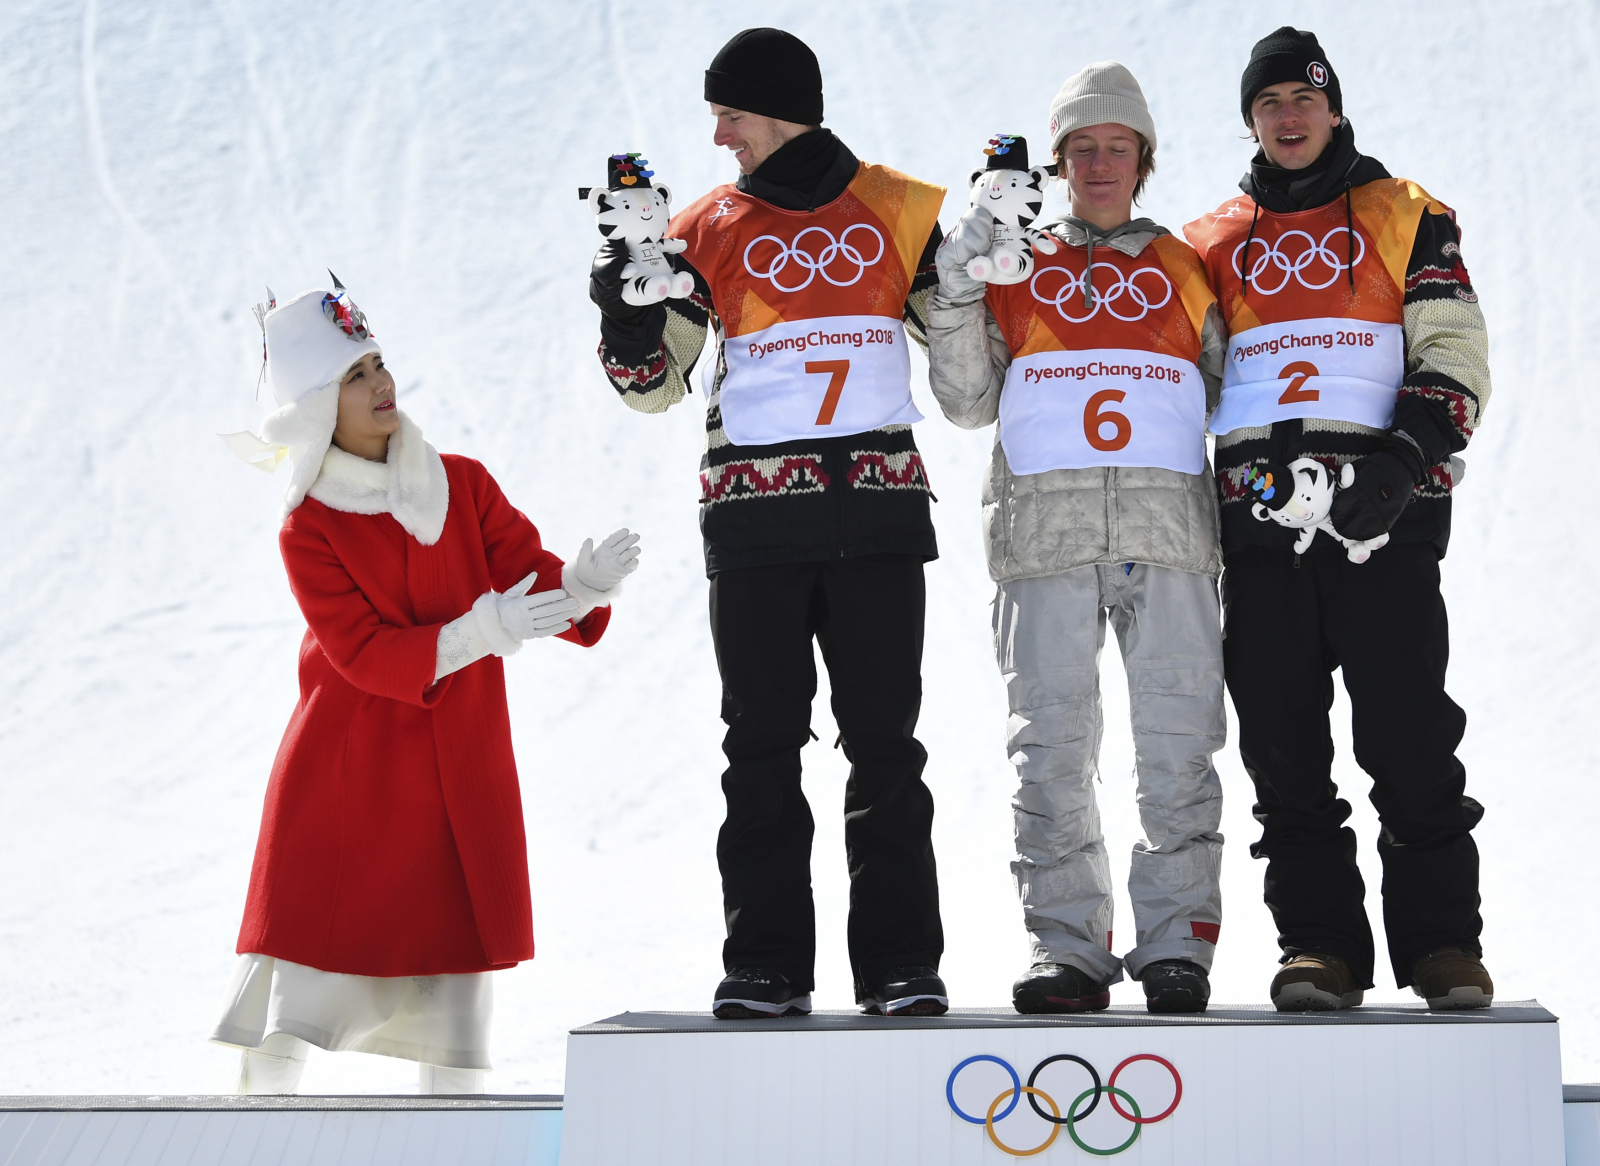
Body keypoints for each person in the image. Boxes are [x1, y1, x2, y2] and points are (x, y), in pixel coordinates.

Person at [589, 28, 949, 1018]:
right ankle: (765, 965)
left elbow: (961, 354)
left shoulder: (899, 209)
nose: (718, 135)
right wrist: (624, 322)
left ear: (778, 108)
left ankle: (900, 966)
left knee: (885, 748)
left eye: (730, 114)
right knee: (759, 750)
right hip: (753, 527)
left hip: (876, 518)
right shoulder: (703, 227)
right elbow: (653, 387)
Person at [212, 281, 640, 1092]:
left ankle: (459, 1146)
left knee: (453, 1009)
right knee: (294, 1003)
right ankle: (252, 1141)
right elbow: (364, 654)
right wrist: (487, 630)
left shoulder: (463, 484)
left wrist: (581, 586)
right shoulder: (308, 527)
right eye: (356, 375)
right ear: (312, 408)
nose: (383, 384)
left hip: (457, 776)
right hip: (346, 781)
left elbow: (532, 577)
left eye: (379, 363)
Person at [1184, 28, 1493, 1011]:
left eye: (1302, 99)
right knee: (1281, 746)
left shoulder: (1408, 212)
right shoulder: (1210, 238)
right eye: (1268, 102)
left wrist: (1405, 457)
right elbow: (1172, 378)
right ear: (1250, 119)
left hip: (1382, 518)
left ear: (1332, 109)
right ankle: (1318, 945)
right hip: (1257, 525)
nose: (1287, 116)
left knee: (1408, 734)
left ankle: (1443, 944)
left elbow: (1453, 347)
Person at [928, 64, 1227, 1015]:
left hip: (1169, 537)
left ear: (1144, 158)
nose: (1100, 163)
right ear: (1056, 163)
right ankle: (1066, 945)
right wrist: (957, 284)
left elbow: (1237, 392)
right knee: (1049, 751)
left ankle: (1177, 942)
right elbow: (965, 398)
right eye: (1081, 148)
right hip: (1043, 538)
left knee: (1176, 748)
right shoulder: (1014, 264)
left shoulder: (1188, 264)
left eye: (1118, 146)